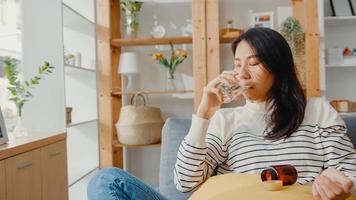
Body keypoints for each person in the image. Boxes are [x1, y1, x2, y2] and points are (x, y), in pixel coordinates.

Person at [88, 27, 356, 200]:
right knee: (107, 181)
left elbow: (349, 172)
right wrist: (204, 113)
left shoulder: (318, 110)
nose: (241, 74)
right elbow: (185, 182)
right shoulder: (225, 119)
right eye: (237, 64)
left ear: (278, 68)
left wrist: (341, 184)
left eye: (254, 63)